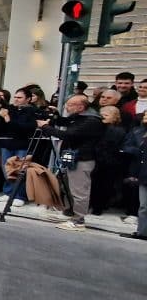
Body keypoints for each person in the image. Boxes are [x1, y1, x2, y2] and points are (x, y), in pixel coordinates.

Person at [37, 94, 105, 231]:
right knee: (67, 187)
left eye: (70, 105)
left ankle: (79, 221)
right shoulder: (80, 117)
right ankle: (69, 213)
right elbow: (65, 122)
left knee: (79, 191)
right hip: (73, 157)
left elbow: (68, 134)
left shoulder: (91, 120)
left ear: (81, 106)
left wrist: (45, 128)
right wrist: (55, 116)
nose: (66, 107)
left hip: (83, 159)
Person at [0, 87, 37, 205]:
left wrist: (7, 119)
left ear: (28, 99)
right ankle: (8, 192)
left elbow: (24, 128)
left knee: (20, 170)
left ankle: (20, 195)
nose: (16, 99)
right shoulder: (10, 108)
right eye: (15, 97)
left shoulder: (32, 111)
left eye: (19, 97)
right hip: (7, 143)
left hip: (22, 144)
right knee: (7, 169)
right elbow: (1, 126)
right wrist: (2, 117)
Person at [120, 112, 147, 240]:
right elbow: (127, 147)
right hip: (142, 173)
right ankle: (142, 232)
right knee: (143, 206)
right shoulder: (138, 131)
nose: (145, 117)